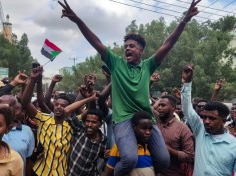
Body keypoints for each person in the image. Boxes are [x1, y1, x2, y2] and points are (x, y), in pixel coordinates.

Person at [59, 0, 200, 174]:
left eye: (132, 46)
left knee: (163, 160)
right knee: (129, 160)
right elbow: (95, 41)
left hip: (146, 118)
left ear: (141, 51)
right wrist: (78, 20)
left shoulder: (148, 66)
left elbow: (167, 44)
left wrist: (184, 20)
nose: (127, 49)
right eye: (126, 46)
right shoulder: (116, 64)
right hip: (124, 120)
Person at [181, 64, 236, 175]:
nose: (206, 121)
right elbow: (187, 109)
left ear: (224, 121)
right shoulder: (200, 131)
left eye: (212, 118)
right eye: (205, 117)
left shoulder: (234, 144)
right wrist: (187, 83)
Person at [103, 111, 155, 176]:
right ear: (134, 127)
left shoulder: (151, 147)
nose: (148, 132)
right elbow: (107, 173)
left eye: (150, 129)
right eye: (144, 128)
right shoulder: (120, 148)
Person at [156, 95, 194, 176]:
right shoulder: (155, 121)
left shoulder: (183, 129)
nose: (159, 108)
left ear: (173, 108)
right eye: (159, 105)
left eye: (163, 105)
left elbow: (190, 156)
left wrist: (169, 150)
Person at [66, 108, 108, 176]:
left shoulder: (104, 141)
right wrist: (89, 98)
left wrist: (107, 154)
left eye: (94, 122)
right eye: (88, 121)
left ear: (101, 124)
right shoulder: (80, 130)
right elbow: (68, 111)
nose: (89, 125)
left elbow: (103, 155)